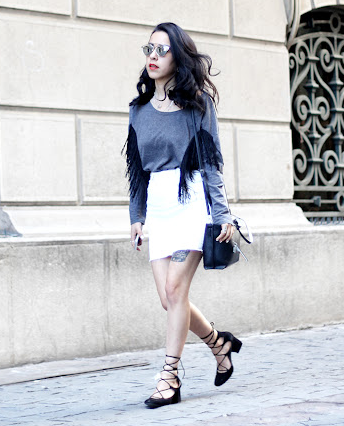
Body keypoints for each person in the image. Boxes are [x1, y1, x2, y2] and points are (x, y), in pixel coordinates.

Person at [124, 22, 242, 409]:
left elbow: (211, 164)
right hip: (159, 207)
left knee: (176, 291)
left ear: (178, 57)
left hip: (190, 203)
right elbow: (137, 171)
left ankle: (169, 377)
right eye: (149, 49)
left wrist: (222, 215)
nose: (153, 56)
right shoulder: (138, 111)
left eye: (163, 50)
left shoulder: (198, 106)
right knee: (169, 299)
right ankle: (220, 344)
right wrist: (137, 216)